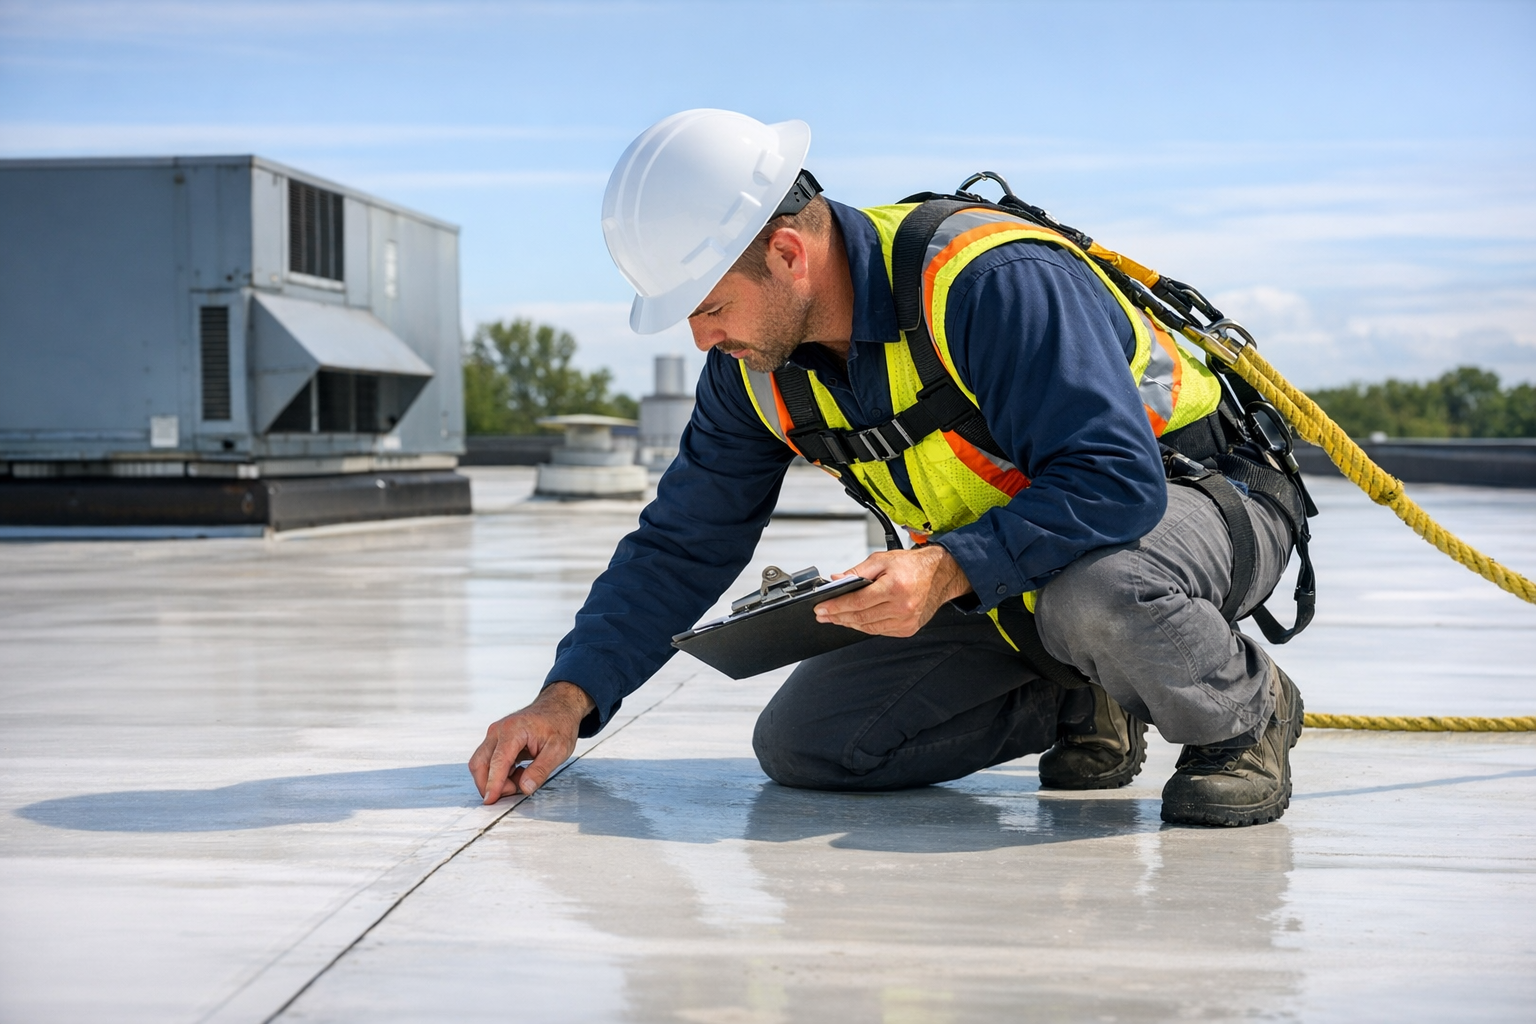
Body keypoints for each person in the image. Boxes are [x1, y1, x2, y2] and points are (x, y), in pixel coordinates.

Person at [469, 109, 1306, 827]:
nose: (701, 340)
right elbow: (683, 542)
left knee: (1100, 592)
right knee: (814, 743)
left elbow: (1114, 479)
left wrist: (943, 569)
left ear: (789, 254)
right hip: (1019, 565)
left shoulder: (988, 284)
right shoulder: (753, 373)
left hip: (1196, 504)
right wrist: (566, 699)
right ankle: (1093, 696)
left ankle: (1243, 713)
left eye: (711, 306)